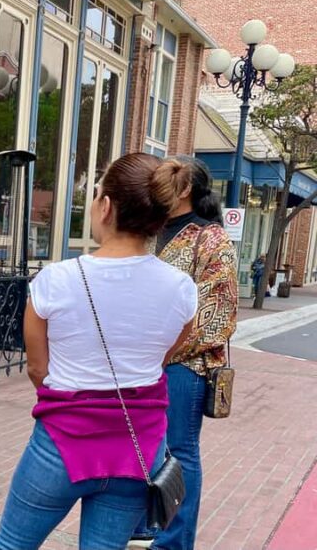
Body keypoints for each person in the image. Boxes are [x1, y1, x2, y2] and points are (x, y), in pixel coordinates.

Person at [0, 153, 199, 550]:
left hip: (62, 441)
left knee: (12, 545)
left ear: (105, 206)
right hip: (138, 450)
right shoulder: (182, 289)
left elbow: (38, 369)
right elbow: (163, 359)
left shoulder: (55, 280)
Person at [131, 156, 238, 550]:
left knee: (179, 451)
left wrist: (163, 352)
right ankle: (145, 525)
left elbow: (217, 313)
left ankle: (174, 541)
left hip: (185, 366)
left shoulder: (209, 238)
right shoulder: (149, 230)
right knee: (144, 448)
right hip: (141, 363)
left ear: (186, 188)